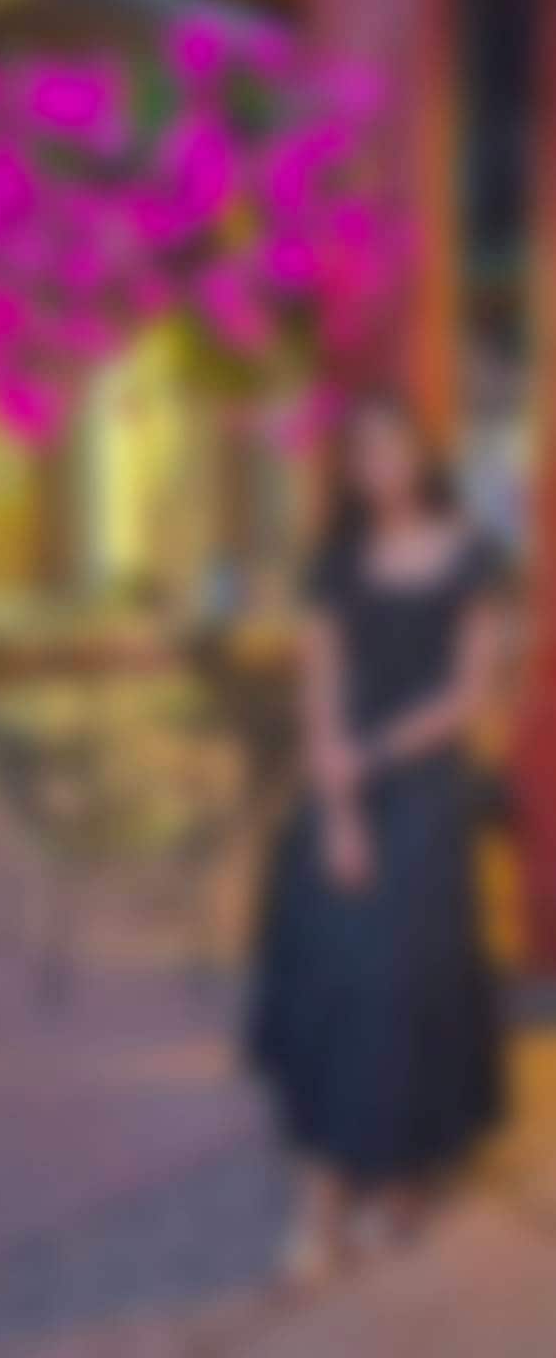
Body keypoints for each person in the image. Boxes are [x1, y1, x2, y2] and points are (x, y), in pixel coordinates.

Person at [247, 391, 505, 1291]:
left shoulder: (470, 553)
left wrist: (375, 755)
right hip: (342, 780)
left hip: (424, 786)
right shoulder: (337, 559)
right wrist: (338, 801)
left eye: (392, 446)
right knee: (329, 978)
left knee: (407, 984)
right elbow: (320, 682)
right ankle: (316, 1201)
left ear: (420, 453)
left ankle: (395, 1177)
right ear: (350, 470)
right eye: (361, 453)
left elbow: (468, 693)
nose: (378, 464)